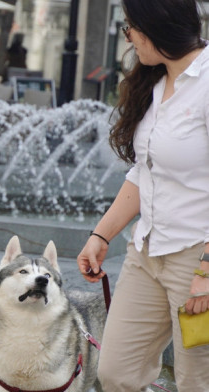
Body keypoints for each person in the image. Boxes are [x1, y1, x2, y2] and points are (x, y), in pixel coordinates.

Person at [76, 0, 209, 390]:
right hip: (147, 252)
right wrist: (101, 235)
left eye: (131, 27)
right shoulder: (156, 80)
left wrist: (206, 269)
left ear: (158, 27)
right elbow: (144, 172)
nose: (129, 37)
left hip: (196, 257)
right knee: (116, 372)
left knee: (195, 381)